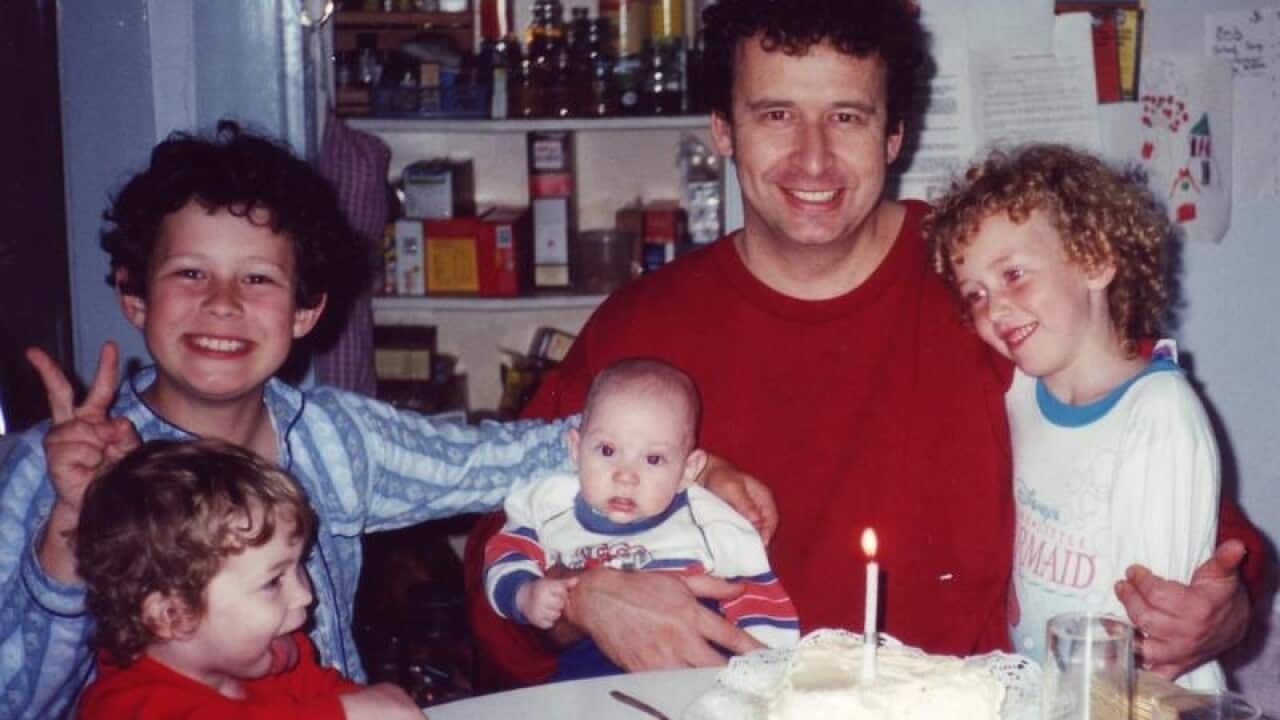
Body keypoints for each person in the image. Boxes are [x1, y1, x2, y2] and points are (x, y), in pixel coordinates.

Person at [464, 0, 1268, 688]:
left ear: (894, 136)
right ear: (723, 130)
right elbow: (495, 563)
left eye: (847, 117)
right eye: (776, 115)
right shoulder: (641, 328)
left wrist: (1221, 609)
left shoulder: (991, 288)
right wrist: (585, 599)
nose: (814, 158)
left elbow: (1182, 495)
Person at [0, 121, 582, 720]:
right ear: (135, 296)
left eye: (257, 278)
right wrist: (71, 526)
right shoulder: (50, 470)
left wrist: (635, 437)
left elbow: (494, 461)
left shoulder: (335, 440)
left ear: (305, 312)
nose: (222, 303)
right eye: (191, 273)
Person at [926, 144, 1226, 690]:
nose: (995, 309)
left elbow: (1151, 635)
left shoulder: (1158, 414)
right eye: (976, 295)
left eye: (1014, 274)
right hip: (1052, 695)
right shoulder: (1020, 392)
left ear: (1094, 260)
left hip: (1144, 702)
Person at [483, 359, 799, 679]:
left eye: (653, 459)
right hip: (586, 673)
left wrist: (770, 668)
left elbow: (752, 590)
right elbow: (507, 550)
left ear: (688, 470)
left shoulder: (707, 518)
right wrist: (523, 593)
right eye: (607, 451)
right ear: (576, 449)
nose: (626, 476)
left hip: (688, 667)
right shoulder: (551, 504)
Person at [74, 438, 423, 719]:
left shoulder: (276, 656)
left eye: (299, 565)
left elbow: (334, 693)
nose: (305, 595)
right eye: (273, 581)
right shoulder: (125, 707)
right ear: (171, 615)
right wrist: (343, 713)